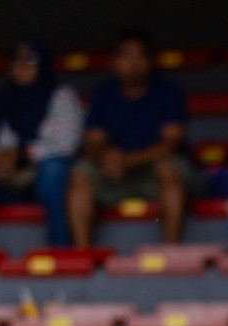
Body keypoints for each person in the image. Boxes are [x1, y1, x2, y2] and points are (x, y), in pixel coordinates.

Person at [0, 40, 81, 249]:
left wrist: (20, 155)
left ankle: (61, 249)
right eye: (16, 60)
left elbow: (67, 144)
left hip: (38, 179)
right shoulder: (1, 97)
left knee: (54, 170)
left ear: (42, 64)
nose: (20, 65)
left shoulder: (61, 95)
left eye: (29, 60)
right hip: (2, 178)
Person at [67, 29, 192, 248]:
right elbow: (93, 142)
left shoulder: (168, 92)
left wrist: (129, 160)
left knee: (168, 171)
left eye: (140, 56)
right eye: (125, 56)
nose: (132, 63)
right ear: (114, 61)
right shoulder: (103, 94)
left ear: (151, 61)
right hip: (114, 173)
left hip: (152, 173)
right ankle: (83, 253)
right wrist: (108, 158)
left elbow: (170, 144)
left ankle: (171, 253)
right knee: (80, 174)